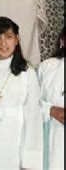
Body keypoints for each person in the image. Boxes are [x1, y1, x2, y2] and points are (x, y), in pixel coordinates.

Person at [0, 17, 43, 170]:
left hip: (16, 144)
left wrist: (30, 161)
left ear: (16, 39)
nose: (3, 43)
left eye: (8, 37)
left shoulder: (27, 72)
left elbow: (33, 116)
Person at [38, 27, 64, 170]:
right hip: (52, 135)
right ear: (62, 41)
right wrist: (51, 110)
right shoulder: (47, 67)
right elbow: (32, 102)